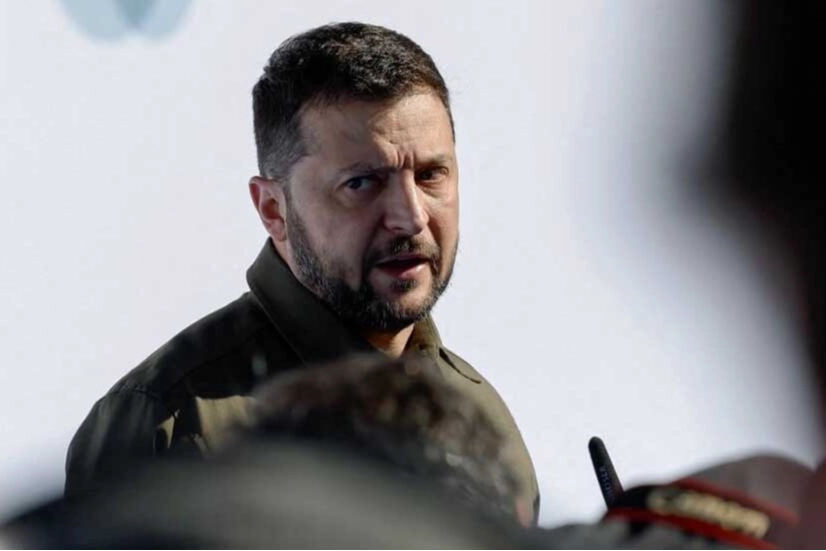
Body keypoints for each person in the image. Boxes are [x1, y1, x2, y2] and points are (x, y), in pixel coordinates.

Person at [64, 21, 539, 520]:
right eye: (362, 183)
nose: (411, 216)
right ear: (274, 209)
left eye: (430, 175)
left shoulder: (483, 418)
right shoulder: (166, 420)